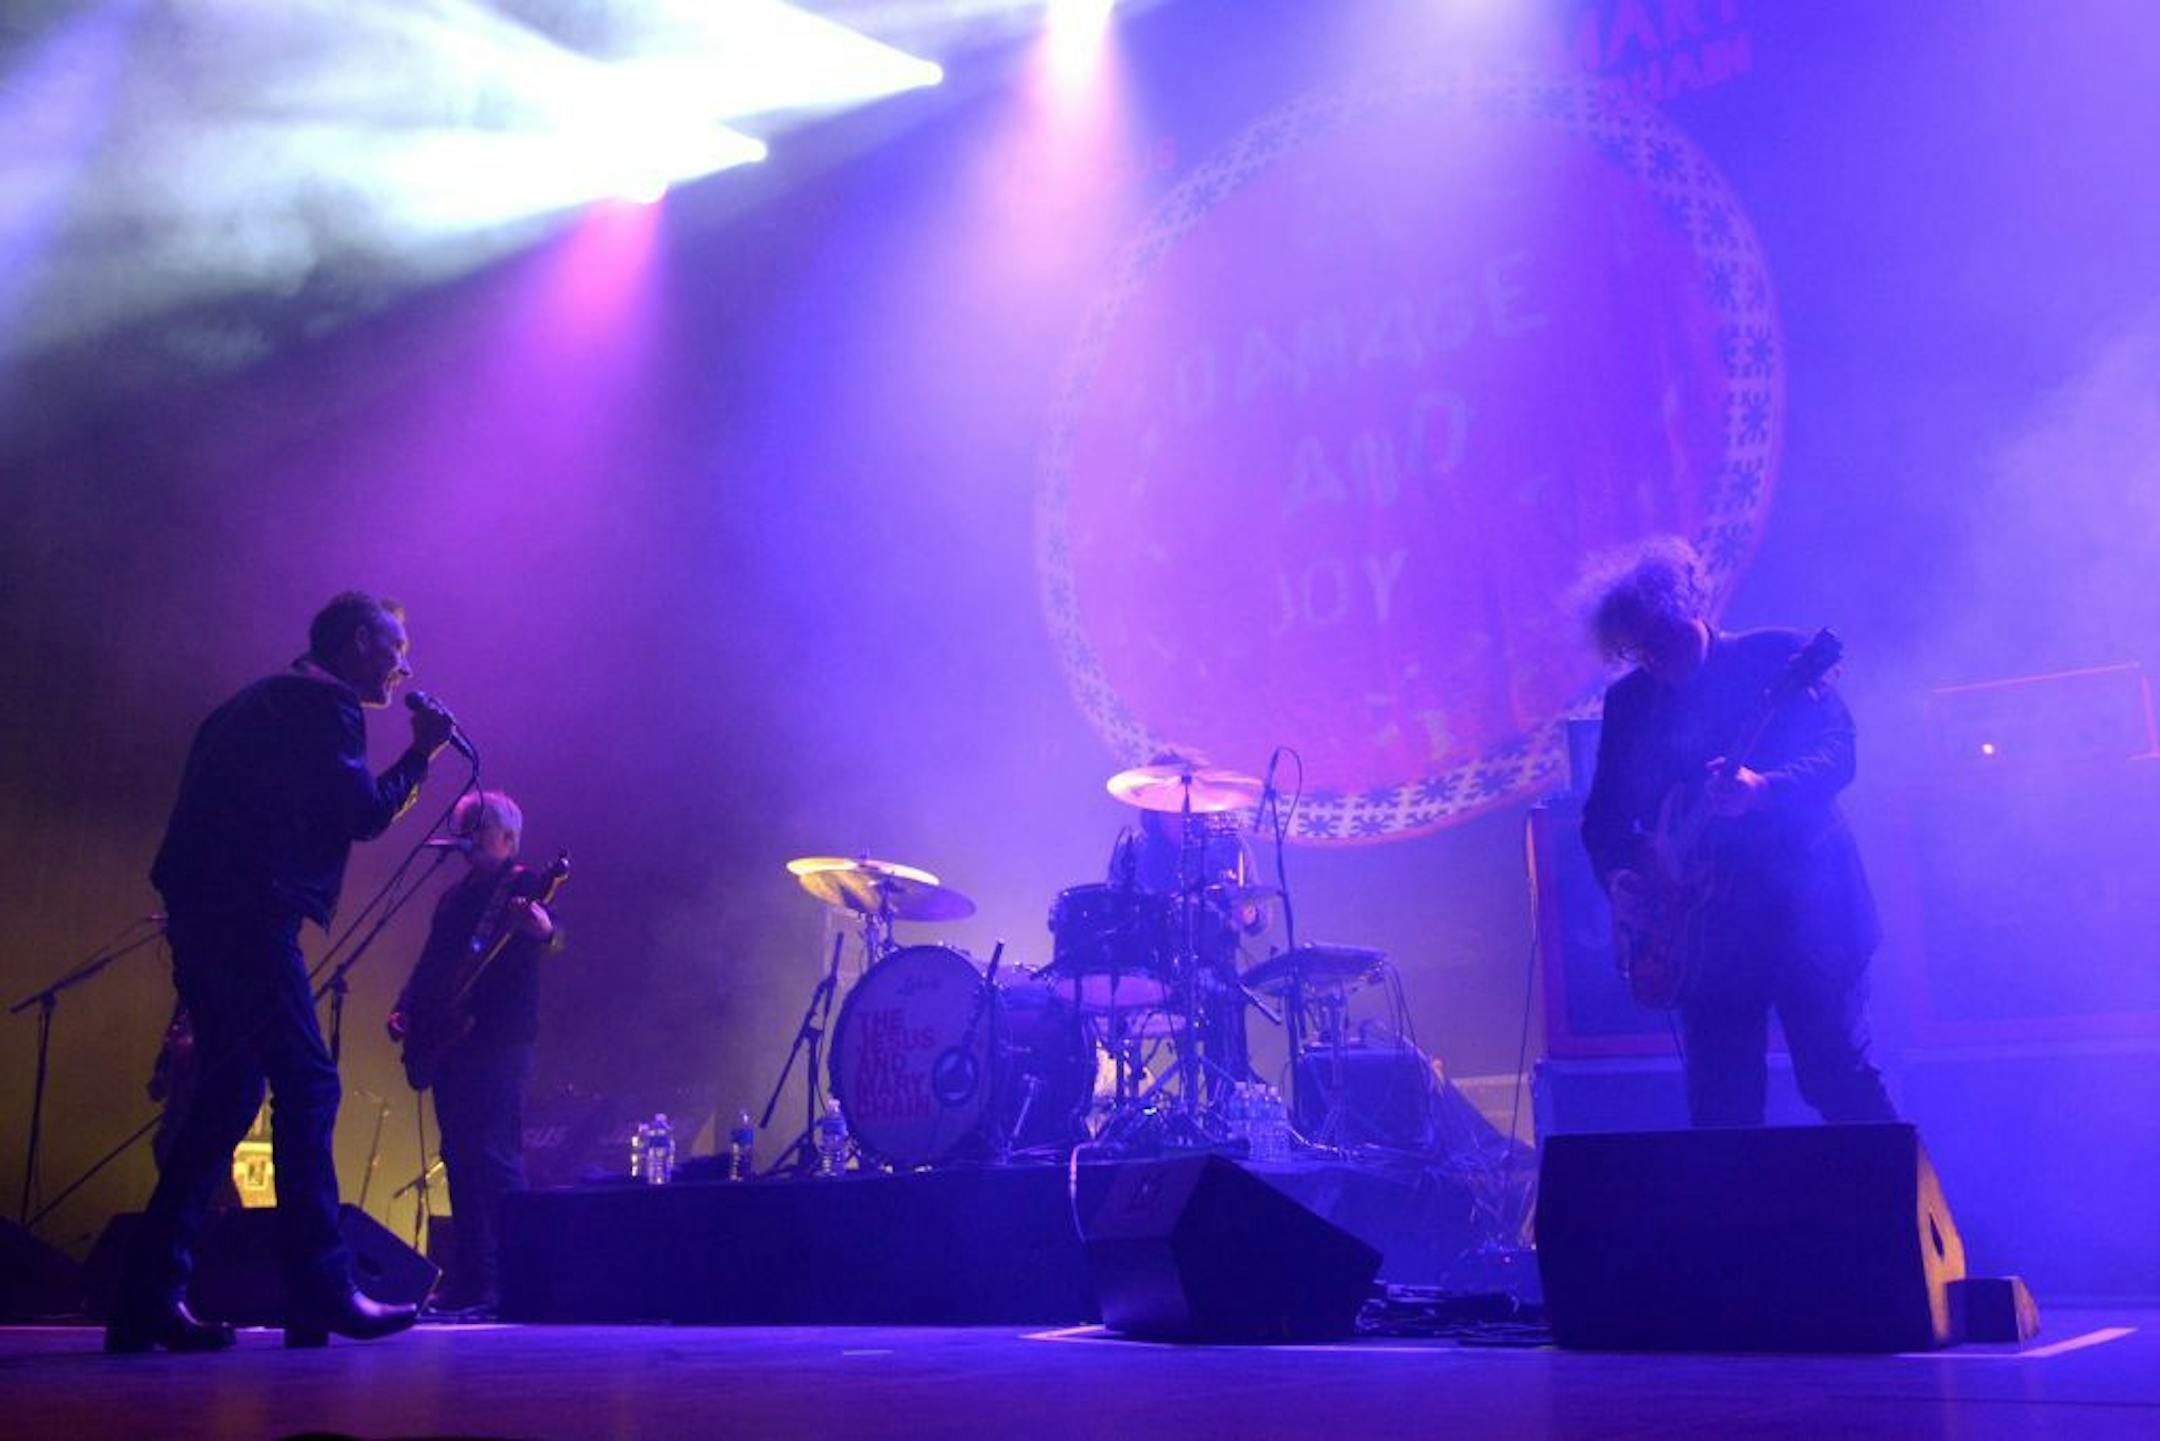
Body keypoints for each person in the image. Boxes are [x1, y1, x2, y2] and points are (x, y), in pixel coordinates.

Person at [108, 592, 456, 1353]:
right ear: (359, 642)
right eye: (395, 648)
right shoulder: (325, 706)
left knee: (228, 1093)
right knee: (310, 1082)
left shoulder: (248, 704)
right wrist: (421, 755)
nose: (404, 668)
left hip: (201, 914)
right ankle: (319, 1289)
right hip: (251, 914)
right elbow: (364, 815)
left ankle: (146, 1298)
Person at [1577, 538, 1896, 1128]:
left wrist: (1766, 789)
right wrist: (1621, 876)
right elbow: (1604, 818)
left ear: (1691, 606)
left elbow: (1839, 754)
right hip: (1707, 934)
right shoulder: (1630, 703)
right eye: (1637, 650)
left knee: (1836, 1078)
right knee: (1722, 1110)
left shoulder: (1777, 657)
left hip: (1807, 906)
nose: (1653, 659)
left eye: (1661, 638)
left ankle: (1896, 1189)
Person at [387, 790, 558, 1320]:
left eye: (478, 826)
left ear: (508, 838)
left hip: (499, 1038)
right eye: (464, 826)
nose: (468, 836)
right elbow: (431, 963)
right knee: (459, 1157)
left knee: (496, 1156)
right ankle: (470, 1280)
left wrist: (547, 933)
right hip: (452, 1040)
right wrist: (405, 1007)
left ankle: (515, 1283)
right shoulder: (453, 898)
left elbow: (550, 937)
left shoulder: (524, 884)